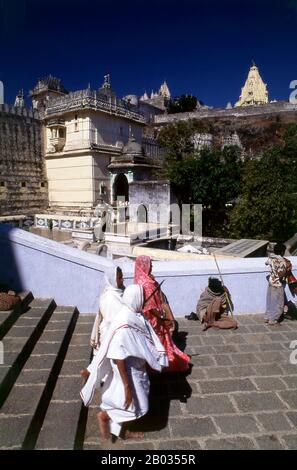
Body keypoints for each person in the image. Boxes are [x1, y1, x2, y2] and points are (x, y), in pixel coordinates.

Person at [80, 284, 168, 440]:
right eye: (141, 298)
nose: (143, 301)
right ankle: (105, 416)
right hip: (127, 371)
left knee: (126, 402)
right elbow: (117, 355)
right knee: (135, 403)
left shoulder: (133, 313)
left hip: (136, 367)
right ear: (135, 299)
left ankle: (120, 431)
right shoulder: (125, 321)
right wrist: (127, 385)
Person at [134, 255, 190, 373]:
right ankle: (159, 364)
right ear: (145, 265)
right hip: (152, 318)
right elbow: (150, 306)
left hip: (147, 316)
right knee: (157, 341)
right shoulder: (147, 283)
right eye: (150, 264)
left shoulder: (140, 279)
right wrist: (163, 318)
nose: (152, 266)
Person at [80, 266, 124, 382]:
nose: (122, 280)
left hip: (117, 328)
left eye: (122, 277)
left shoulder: (120, 291)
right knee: (107, 355)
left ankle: (92, 372)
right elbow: (111, 318)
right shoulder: (109, 296)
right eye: (119, 278)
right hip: (111, 330)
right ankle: (93, 373)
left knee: (106, 356)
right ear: (113, 279)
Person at [265, 243, 292, 326]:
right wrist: (287, 268)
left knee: (270, 302)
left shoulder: (271, 258)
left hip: (271, 282)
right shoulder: (282, 261)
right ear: (282, 251)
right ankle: (274, 320)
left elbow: (267, 265)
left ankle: (267, 317)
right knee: (279, 303)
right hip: (278, 284)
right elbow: (280, 274)